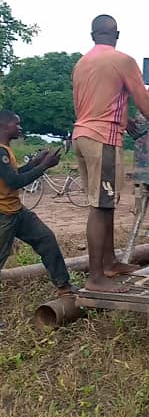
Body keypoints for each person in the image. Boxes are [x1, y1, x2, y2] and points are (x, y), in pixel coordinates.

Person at [72, 14, 149, 293]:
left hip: (82, 136)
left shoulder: (82, 63)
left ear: (92, 36)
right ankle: (96, 278)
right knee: (100, 207)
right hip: (103, 139)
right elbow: (146, 102)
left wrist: (128, 123)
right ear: (117, 35)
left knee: (106, 202)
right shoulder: (122, 60)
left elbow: (99, 103)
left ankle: (110, 262)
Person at [0, 111, 73, 329]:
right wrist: (44, 167)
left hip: (15, 211)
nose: (20, 128)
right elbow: (14, 181)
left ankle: (65, 288)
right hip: (3, 215)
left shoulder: (6, 151)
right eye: (17, 124)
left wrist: (35, 162)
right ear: (5, 126)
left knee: (46, 239)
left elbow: (15, 173)